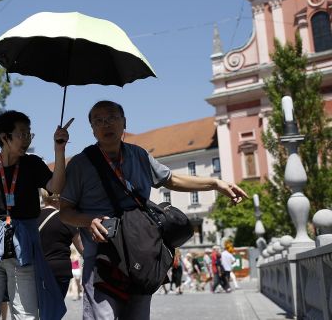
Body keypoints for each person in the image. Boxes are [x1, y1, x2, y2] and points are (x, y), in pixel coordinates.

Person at [59, 100, 248, 319]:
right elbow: (65, 212)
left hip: (141, 254)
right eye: (98, 121)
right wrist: (88, 221)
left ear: (124, 123)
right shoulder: (80, 164)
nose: (105, 124)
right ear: (92, 129)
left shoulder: (139, 156)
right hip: (102, 259)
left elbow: (173, 179)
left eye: (112, 118)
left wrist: (216, 184)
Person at [0, 110, 71, 320]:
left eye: (29, 134)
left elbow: (56, 186)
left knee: (25, 314)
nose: (27, 139)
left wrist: (59, 150)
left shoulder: (33, 164)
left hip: (23, 251)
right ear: (4, 137)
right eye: (22, 134)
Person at [37, 189, 84, 298]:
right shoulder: (66, 218)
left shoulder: (34, 217)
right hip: (59, 270)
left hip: (38, 269)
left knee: (38, 307)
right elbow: (82, 248)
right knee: (55, 310)